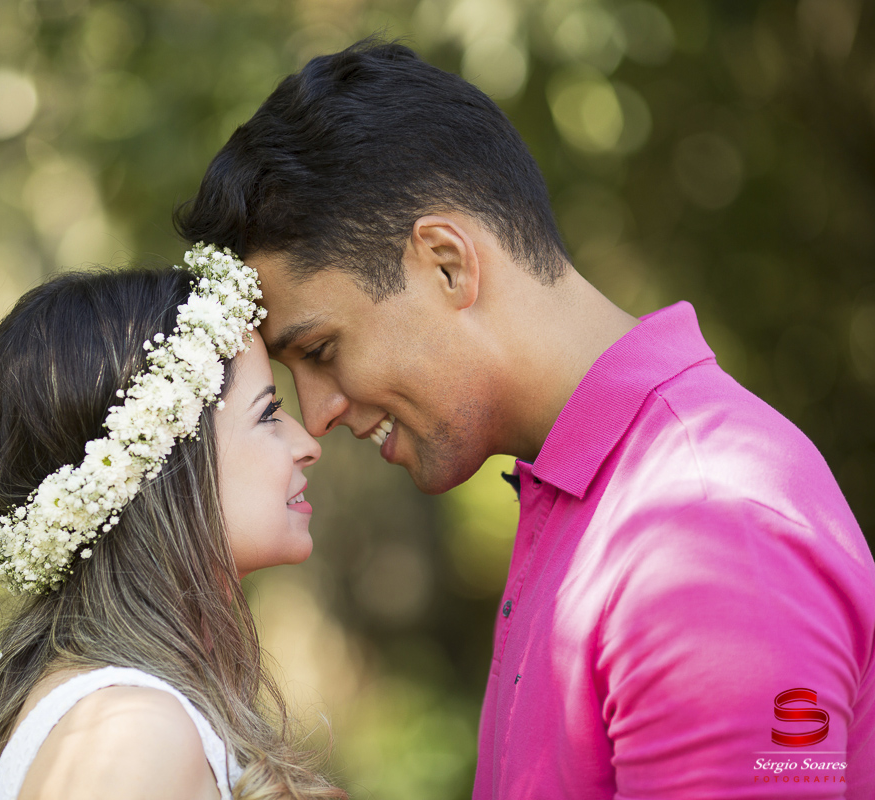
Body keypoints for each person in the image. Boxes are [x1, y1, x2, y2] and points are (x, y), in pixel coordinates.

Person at [175, 39, 875, 797]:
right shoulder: (598, 499)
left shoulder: (707, 532)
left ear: (447, 262)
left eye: (321, 349)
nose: (318, 413)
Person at [0, 248, 345, 800]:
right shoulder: (130, 733)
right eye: (266, 413)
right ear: (162, 464)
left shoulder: (126, 716)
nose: (307, 444)